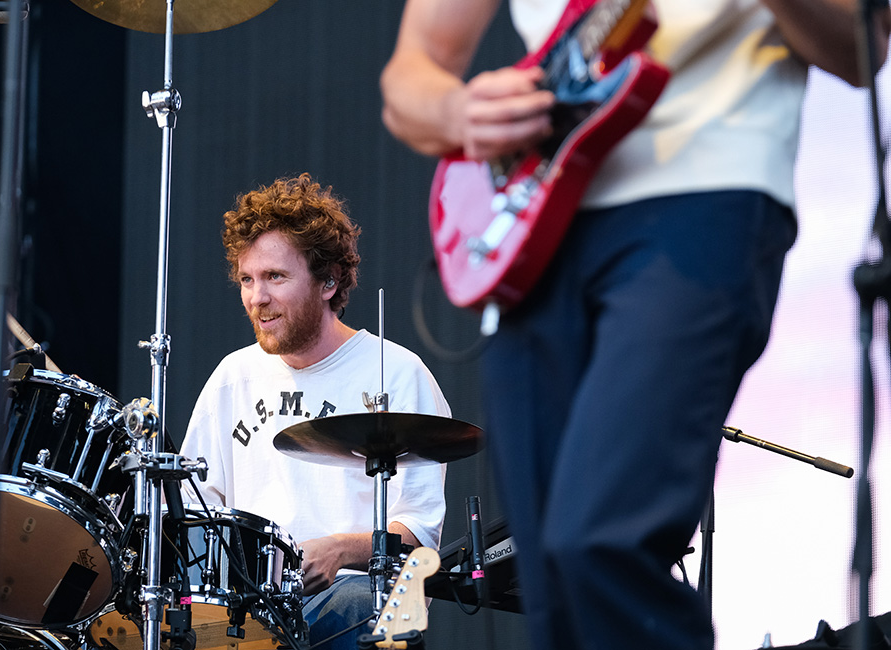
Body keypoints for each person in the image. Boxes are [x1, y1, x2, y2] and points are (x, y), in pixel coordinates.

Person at [380, 1, 890, 649]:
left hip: (708, 190)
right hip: (540, 221)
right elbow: (410, 75)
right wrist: (457, 112)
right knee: (548, 575)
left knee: (602, 540)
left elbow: (860, 46)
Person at [178, 173, 450, 650]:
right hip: (246, 607)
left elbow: (420, 536)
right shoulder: (232, 376)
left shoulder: (397, 374)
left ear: (328, 281)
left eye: (275, 277)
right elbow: (192, 506)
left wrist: (340, 550)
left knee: (362, 604)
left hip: (348, 602)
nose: (256, 297)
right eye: (247, 279)